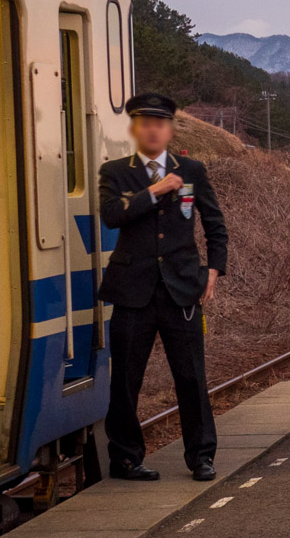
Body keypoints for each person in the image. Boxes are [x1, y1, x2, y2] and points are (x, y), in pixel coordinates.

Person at [98, 92, 228, 482]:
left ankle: (202, 456)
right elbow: (111, 216)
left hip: (182, 289)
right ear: (135, 129)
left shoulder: (193, 169)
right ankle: (125, 459)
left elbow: (214, 223)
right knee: (125, 379)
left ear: (170, 130)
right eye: (145, 123)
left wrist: (214, 269)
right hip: (131, 290)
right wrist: (155, 190)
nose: (153, 130)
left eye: (160, 123)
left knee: (190, 377)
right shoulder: (115, 172)